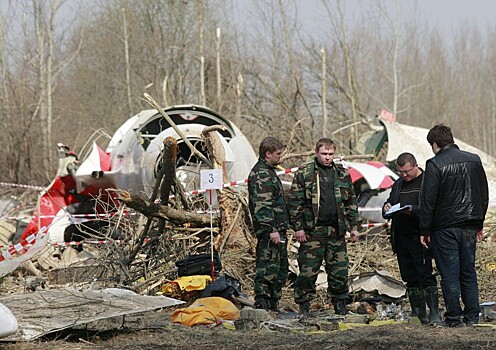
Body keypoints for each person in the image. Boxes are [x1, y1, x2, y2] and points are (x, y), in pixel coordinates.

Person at [419, 124, 489, 327]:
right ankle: (472, 317)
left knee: (449, 274)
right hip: (469, 225)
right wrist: (479, 222)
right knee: (468, 272)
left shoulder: (434, 164)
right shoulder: (474, 160)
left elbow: (428, 201)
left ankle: (454, 318)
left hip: (444, 227)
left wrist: (424, 230)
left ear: (435, 144)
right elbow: (483, 195)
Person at [288, 138, 360, 316]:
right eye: (324, 154)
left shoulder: (342, 174)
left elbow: (351, 202)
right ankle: (304, 305)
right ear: (316, 153)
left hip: (336, 231)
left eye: (330, 154)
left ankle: (340, 304)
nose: (328, 158)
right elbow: (294, 203)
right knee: (307, 271)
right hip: (313, 232)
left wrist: (354, 227)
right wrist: (298, 228)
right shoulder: (304, 173)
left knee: (339, 271)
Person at [382, 152, 441, 325]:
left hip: (420, 236)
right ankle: (418, 313)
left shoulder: (426, 182)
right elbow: (390, 203)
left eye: (407, 171)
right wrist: (386, 208)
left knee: (425, 275)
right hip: (401, 237)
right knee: (409, 276)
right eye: (400, 172)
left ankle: (434, 313)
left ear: (415, 166)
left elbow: (431, 209)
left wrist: (413, 210)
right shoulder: (398, 184)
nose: (404, 175)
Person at [248, 136, 290, 311]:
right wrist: (271, 229)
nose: (280, 157)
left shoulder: (269, 171)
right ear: (268, 154)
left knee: (279, 269)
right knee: (267, 269)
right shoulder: (261, 174)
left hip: (278, 230)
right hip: (269, 232)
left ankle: (273, 303)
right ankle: (263, 303)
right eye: (278, 154)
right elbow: (262, 205)